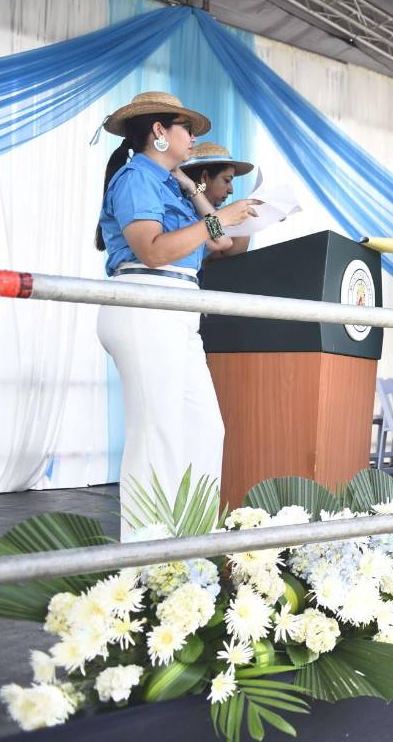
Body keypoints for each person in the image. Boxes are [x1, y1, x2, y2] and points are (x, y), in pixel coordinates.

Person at [94, 92, 261, 533]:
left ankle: (191, 546)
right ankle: (146, 556)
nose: (193, 139)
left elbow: (220, 243)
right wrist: (220, 217)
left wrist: (194, 190)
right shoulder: (135, 179)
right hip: (145, 305)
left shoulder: (170, 184)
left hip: (179, 312)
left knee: (205, 429)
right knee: (158, 437)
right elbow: (152, 251)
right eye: (186, 129)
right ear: (159, 132)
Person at [179, 141, 255, 259]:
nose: (231, 190)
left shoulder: (214, 216)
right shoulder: (181, 213)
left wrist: (249, 218)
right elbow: (226, 253)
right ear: (204, 177)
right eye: (226, 180)